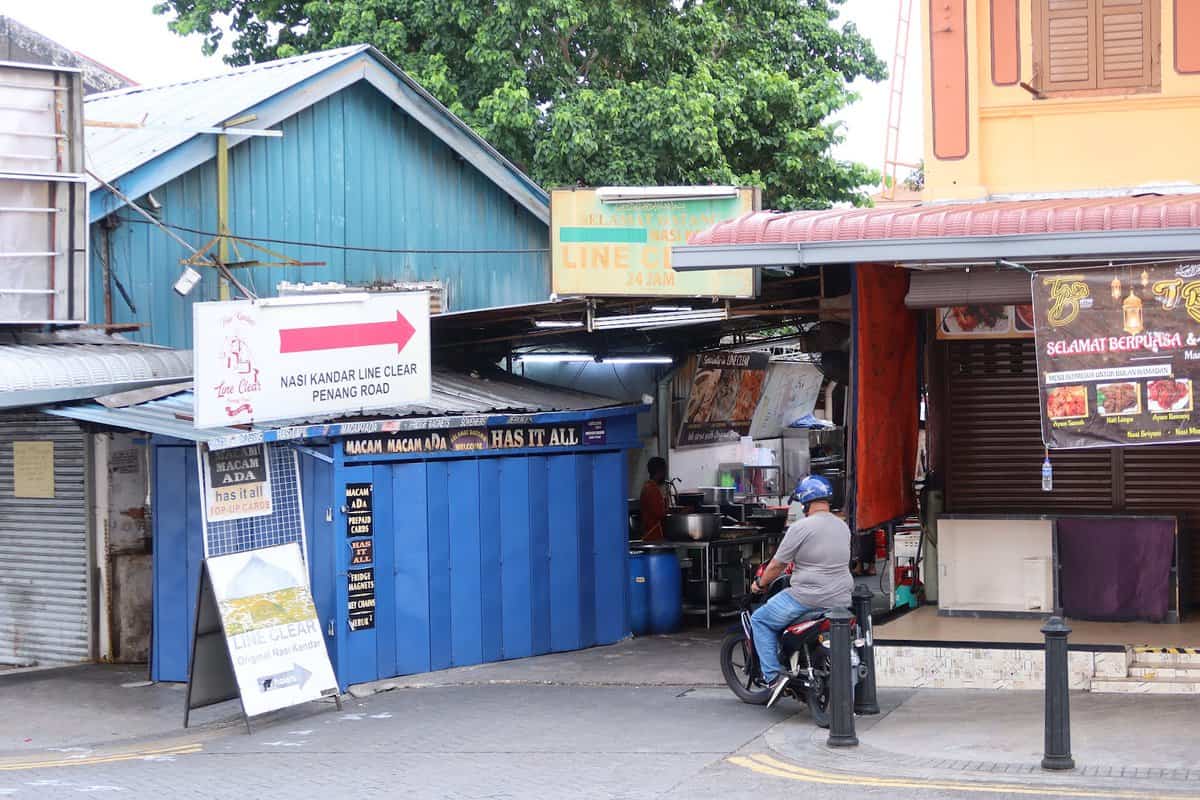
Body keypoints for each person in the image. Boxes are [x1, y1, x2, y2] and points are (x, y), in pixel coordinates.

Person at [749, 474, 854, 708]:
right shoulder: (843, 526)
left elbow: (777, 565)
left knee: (760, 621)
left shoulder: (800, 528)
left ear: (806, 502)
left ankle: (773, 678)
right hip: (841, 598)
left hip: (807, 598)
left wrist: (760, 585)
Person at [639, 457, 669, 541]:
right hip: (653, 535)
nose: (665, 474)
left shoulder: (649, 487)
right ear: (660, 471)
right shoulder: (652, 489)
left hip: (652, 534)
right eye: (664, 471)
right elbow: (661, 514)